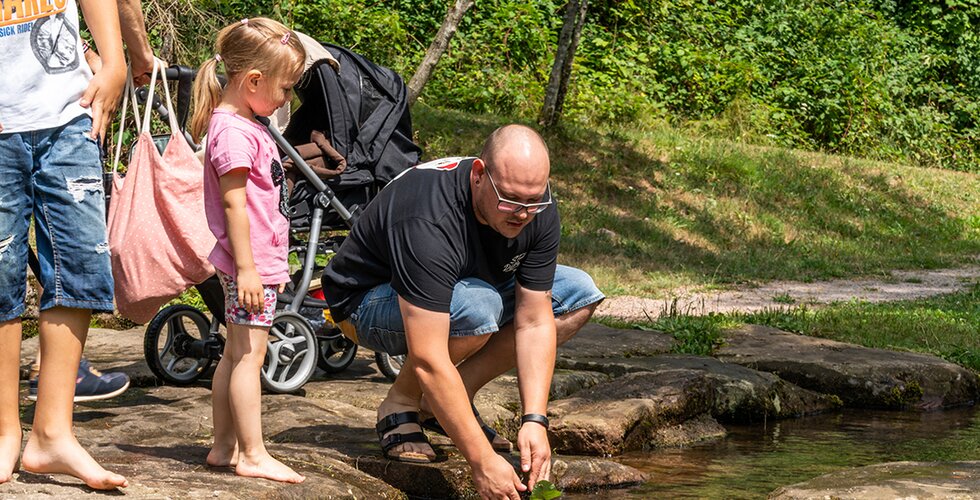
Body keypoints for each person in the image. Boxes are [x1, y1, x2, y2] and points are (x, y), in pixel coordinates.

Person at [321, 124, 605, 499]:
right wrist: (481, 460)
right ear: (478, 176)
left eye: (533, 202)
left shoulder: (537, 207)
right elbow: (427, 356)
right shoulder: (428, 216)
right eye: (510, 201)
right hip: (366, 303)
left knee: (578, 292)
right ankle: (401, 402)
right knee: (477, 308)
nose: (522, 215)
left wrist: (534, 420)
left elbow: (535, 320)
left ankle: (441, 407)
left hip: (466, 286)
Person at [0, 0, 129, 490]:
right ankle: (4, 432)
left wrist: (114, 60)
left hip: (70, 114)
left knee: (80, 262)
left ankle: (53, 432)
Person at [189, 17, 306, 484]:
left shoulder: (241, 123)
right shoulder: (235, 133)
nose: (287, 99)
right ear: (253, 80)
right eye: (285, 88)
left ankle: (223, 446)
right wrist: (249, 270)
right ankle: (252, 453)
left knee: (234, 354)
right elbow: (235, 205)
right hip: (249, 265)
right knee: (250, 357)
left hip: (248, 264)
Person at [26, 0, 154, 403]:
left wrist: (95, 56)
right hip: (55, 108)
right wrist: (135, 58)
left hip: (54, 95)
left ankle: (51, 380)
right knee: (67, 257)